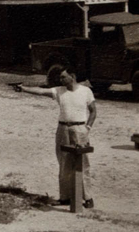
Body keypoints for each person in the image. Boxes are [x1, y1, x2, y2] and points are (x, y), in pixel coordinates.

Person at [17, 67, 96, 209]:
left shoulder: (86, 91)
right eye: (60, 78)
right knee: (64, 163)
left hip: (80, 129)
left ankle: (88, 197)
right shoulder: (59, 91)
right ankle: (65, 197)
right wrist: (23, 88)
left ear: (72, 76)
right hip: (63, 129)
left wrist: (87, 127)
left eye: (63, 77)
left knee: (83, 164)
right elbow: (41, 91)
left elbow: (93, 111)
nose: (61, 80)